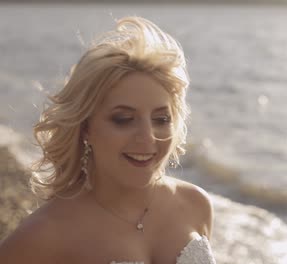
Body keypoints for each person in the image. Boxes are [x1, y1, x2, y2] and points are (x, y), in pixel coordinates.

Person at [0, 16, 216, 264]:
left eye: (160, 119)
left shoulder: (196, 204)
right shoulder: (48, 234)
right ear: (85, 127)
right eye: (123, 119)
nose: (148, 137)